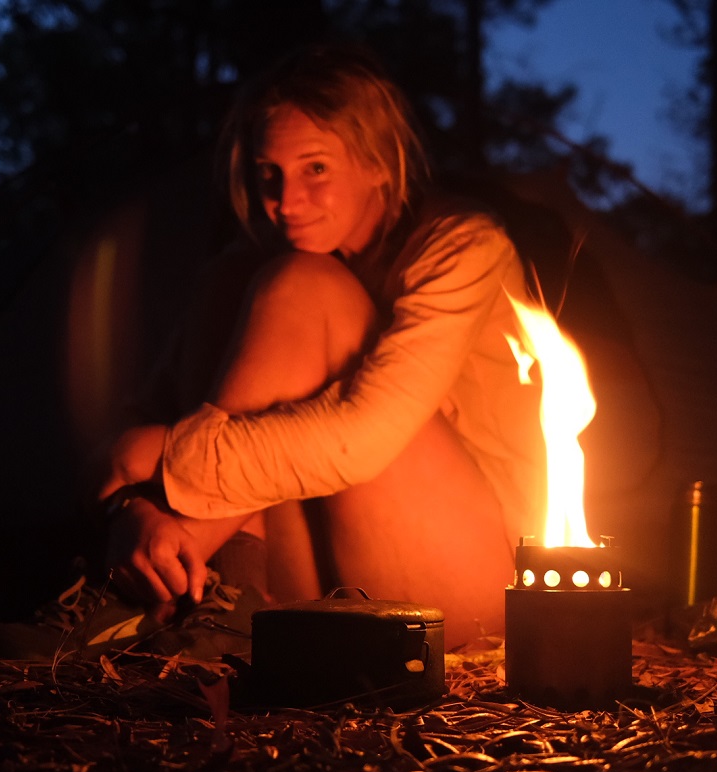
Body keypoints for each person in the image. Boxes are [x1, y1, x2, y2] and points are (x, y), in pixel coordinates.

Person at [97, 43, 543, 651]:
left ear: (379, 163)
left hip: (478, 584)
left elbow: (364, 440)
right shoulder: (257, 262)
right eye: (269, 175)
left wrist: (155, 461)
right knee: (241, 276)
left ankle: (179, 585)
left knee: (303, 286)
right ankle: (214, 595)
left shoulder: (462, 247)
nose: (286, 201)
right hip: (319, 584)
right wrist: (135, 512)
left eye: (316, 169)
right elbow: (144, 407)